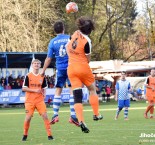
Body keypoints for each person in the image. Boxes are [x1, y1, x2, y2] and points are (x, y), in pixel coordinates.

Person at [66, 16, 103, 133]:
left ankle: (81, 121)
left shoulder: (75, 33)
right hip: (83, 68)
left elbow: (68, 47)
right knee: (92, 89)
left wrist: (72, 58)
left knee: (77, 96)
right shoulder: (87, 41)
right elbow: (88, 59)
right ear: (90, 30)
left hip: (71, 68)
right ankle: (96, 114)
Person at [41, 20, 79, 127]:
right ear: (63, 28)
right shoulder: (70, 38)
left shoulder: (52, 42)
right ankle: (73, 116)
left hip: (60, 69)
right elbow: (77, 51)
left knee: (58, 90)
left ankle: (55, 115)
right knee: (72, 90)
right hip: (71, 67)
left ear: (54, 30)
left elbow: (49, 58)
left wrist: (43, 71)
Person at [22, 59, 53, 141]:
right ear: (32, 65)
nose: (36, 65)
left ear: (40, 66)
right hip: (29, 101)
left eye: (38, 64)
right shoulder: (28, 76)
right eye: (35, 63)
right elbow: (24, 88)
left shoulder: (42, 76)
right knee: (28, 118)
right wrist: (35, 90)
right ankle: (25, 135)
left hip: (39, 100)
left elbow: (44, 88)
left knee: (45, 116)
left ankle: (50, 136)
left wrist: (44, 94)